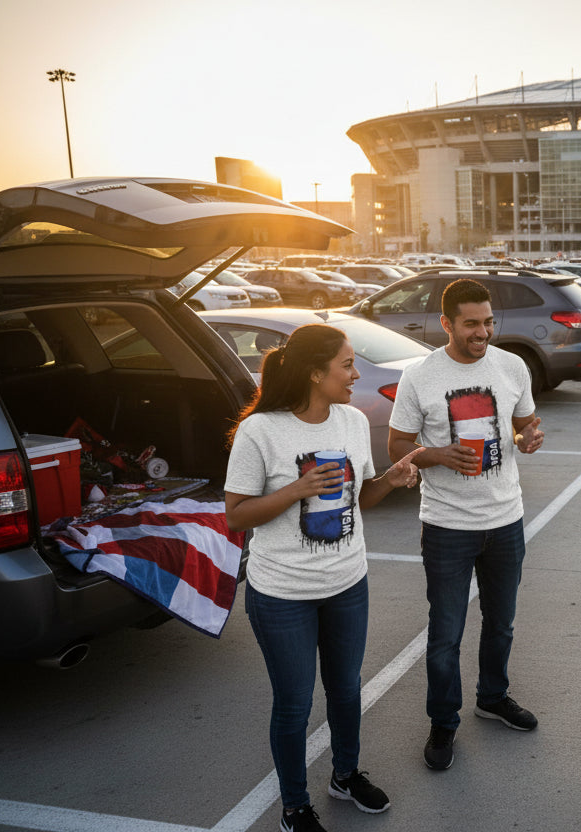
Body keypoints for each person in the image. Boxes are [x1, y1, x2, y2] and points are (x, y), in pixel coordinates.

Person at [225, 324, 424, 832]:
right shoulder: (260, 431)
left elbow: (360, 499)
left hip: (346, 584)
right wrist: (297, 489)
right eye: (347, 365)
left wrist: (390, 480)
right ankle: (295, 805)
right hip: (283, 594)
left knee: (346, 690)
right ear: (316, 373)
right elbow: (237, 516)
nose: (355, 374)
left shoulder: (354, 422)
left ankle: (345, 774)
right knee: (294, 704)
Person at [386, 279, 546, 772]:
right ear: (447, 323)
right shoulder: (421, 376)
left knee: (501, 624)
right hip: (447, 526)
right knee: (446, 634)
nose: (483, 332)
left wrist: (529, 435)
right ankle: (443, 721)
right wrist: (436, 455)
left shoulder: (511, 365)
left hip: (505, 519)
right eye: (472, 323)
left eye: (488, 321)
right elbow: (397, 445)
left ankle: (492, 697)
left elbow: (526, 423)